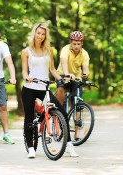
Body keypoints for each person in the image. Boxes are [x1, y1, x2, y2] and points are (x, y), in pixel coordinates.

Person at [21, 23, 79, 158]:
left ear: (45, 36)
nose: (40, 36)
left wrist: (61, 79)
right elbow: (24, 71)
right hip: (30, 88)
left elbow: (52, 69)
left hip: (44, 88)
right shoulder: (26, 51)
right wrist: (27, 77)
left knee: (62, 113)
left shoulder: (49, 50)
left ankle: (69, 146)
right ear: (34, 33)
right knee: (29, 119)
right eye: (38, 33)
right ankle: (31, 148)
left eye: (43, 34)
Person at [56, 31, 90, 141]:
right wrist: (67, 74)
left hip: (76, 78)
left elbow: (85, 67)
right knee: (61, 91)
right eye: (74, 43)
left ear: (81, 44)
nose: (76, 46)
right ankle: (57, 115)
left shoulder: (84, 53)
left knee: (78, 103)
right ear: (71, 43)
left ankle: (77, 131)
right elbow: (64, 63)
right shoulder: (65, 50)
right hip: (63, 74)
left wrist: (85, 74)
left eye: (78, 44)